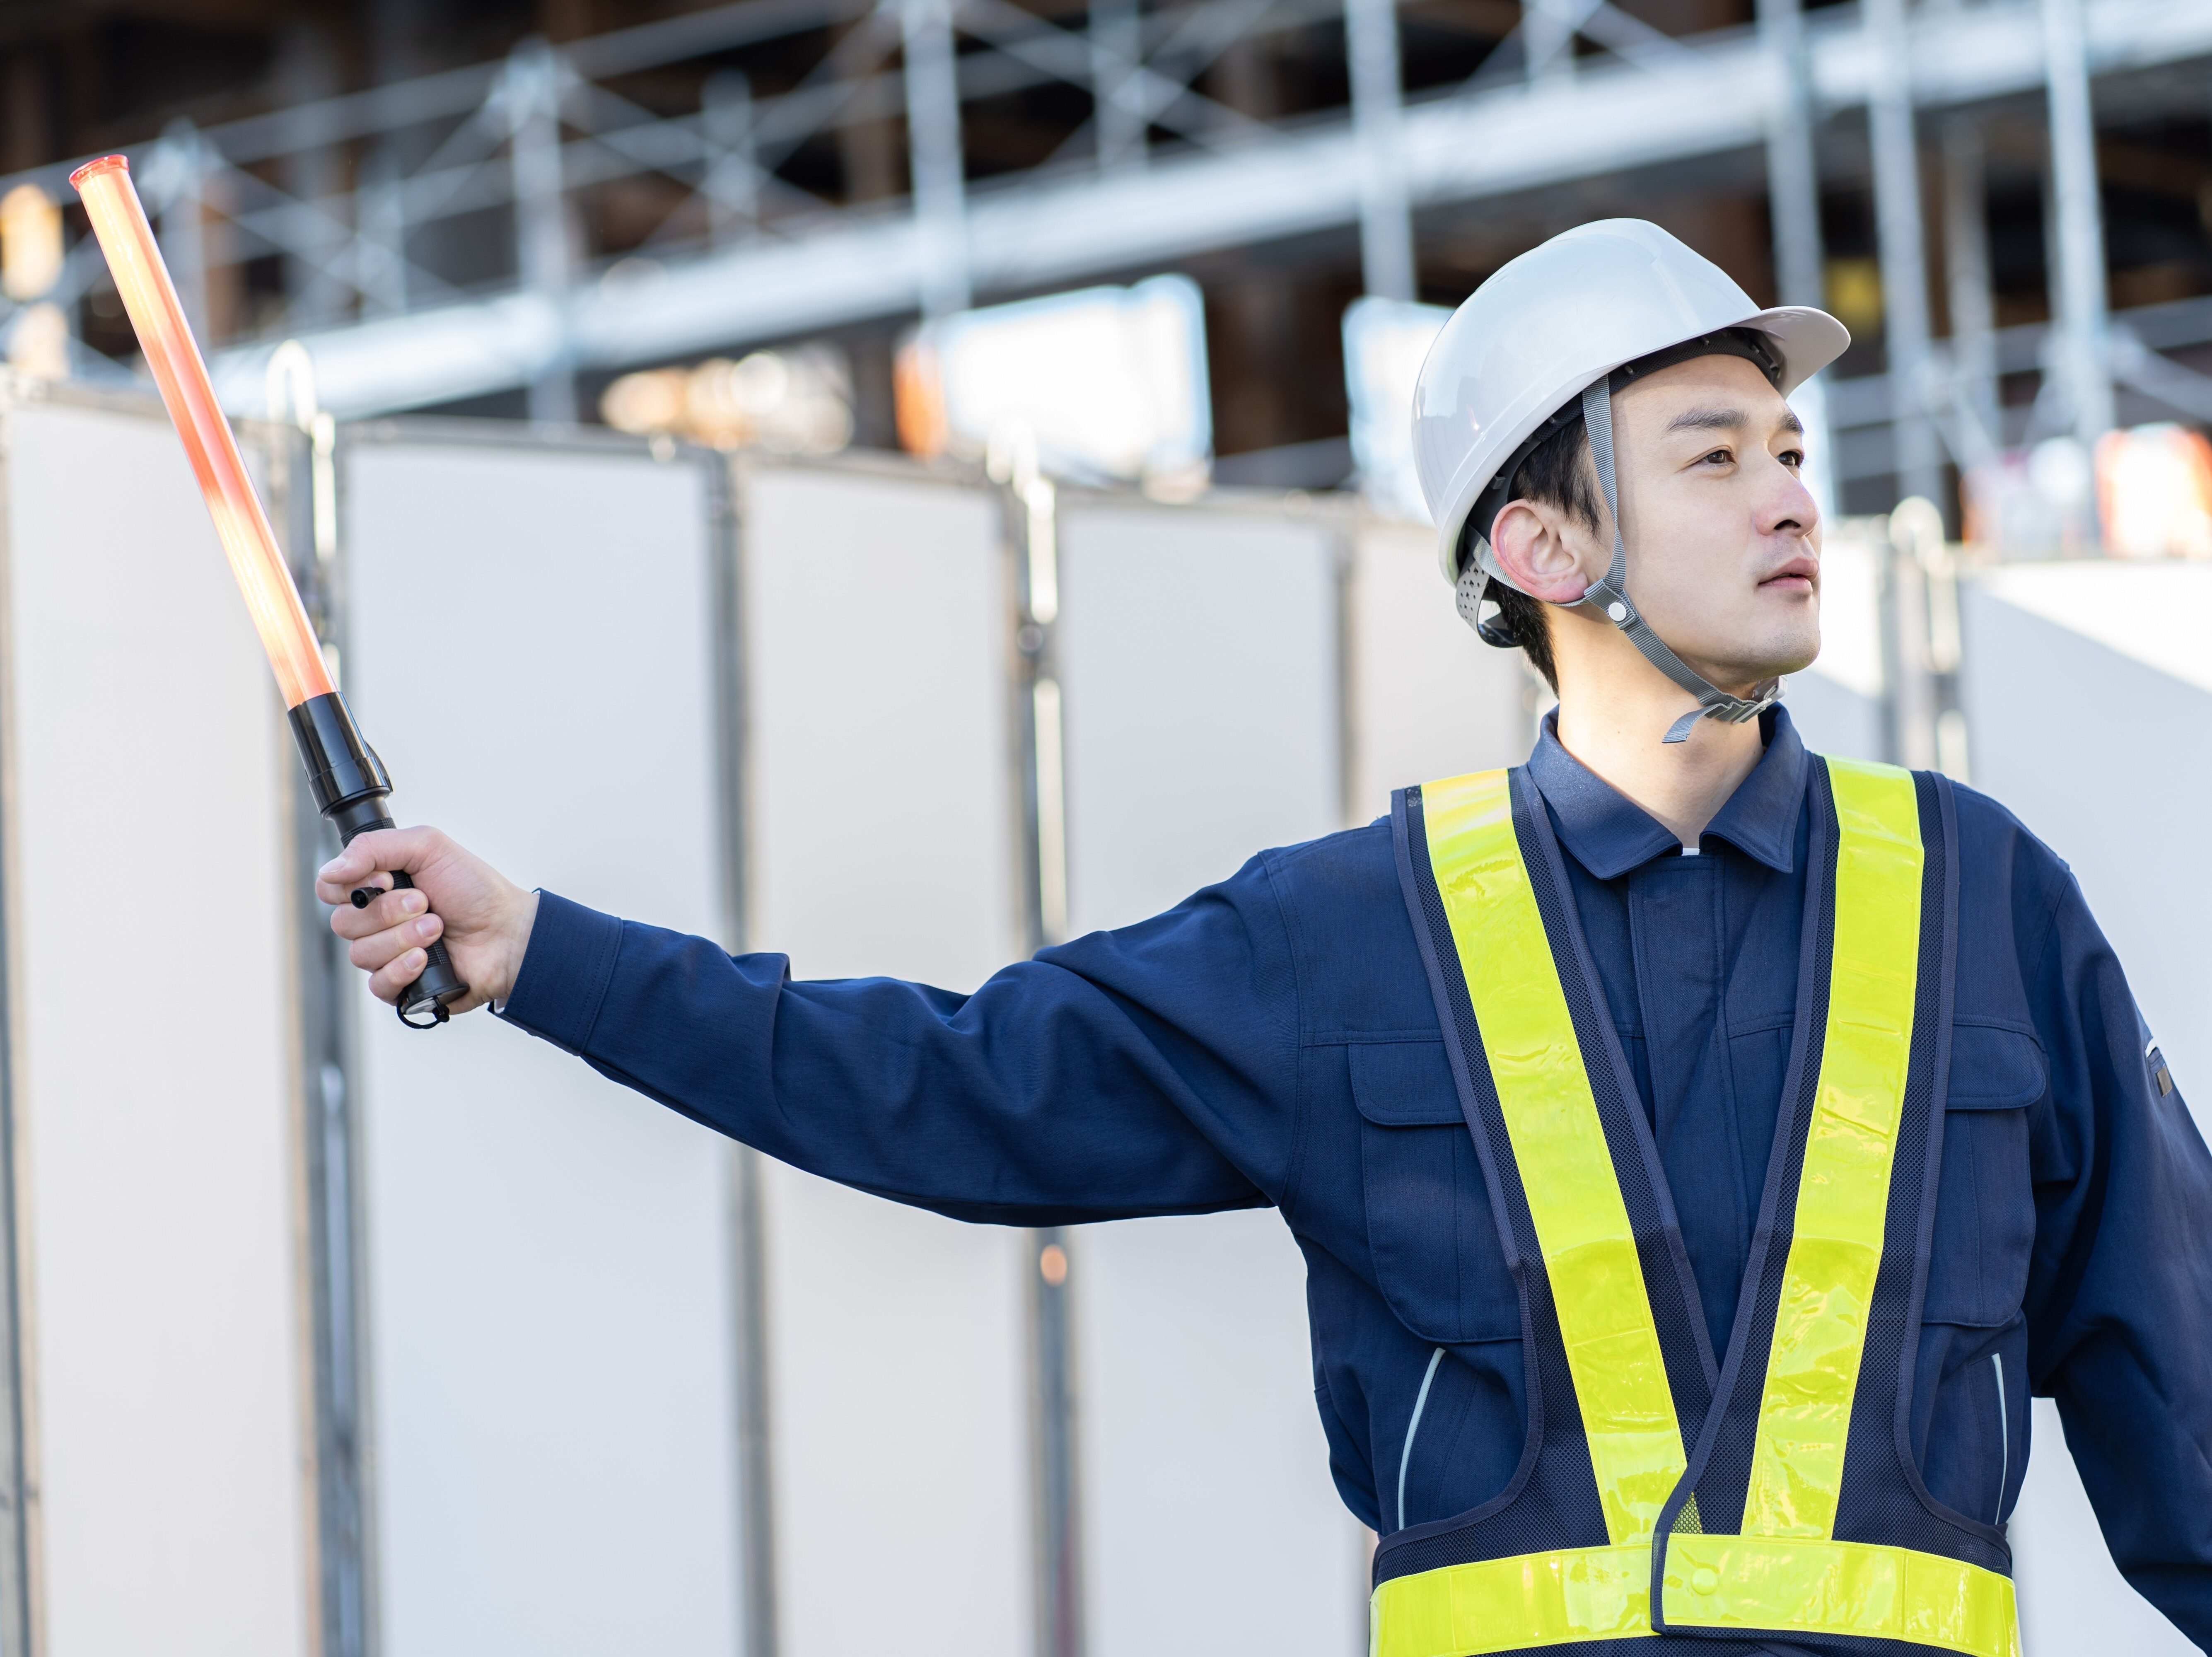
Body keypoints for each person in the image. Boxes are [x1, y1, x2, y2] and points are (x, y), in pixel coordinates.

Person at [318, 220, 2212, 1655]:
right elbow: (952, 1088)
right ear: (1547, 552)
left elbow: (2185, 1391)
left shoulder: (1989, 905)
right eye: (1716, 457)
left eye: (1793, 448)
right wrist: (538, 949)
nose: (1794, 492)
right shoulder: (1353, 940)